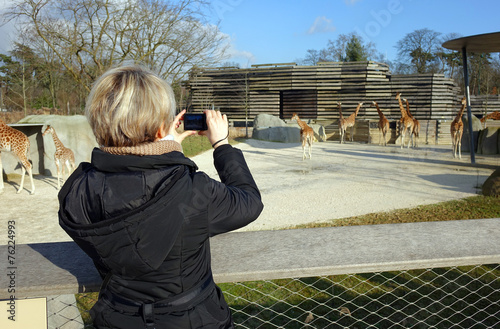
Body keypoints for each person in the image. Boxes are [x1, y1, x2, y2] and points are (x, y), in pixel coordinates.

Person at [58, 64, 263, 328]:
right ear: (159, 129)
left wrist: (168, 146)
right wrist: (221, 145)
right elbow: (249, 201)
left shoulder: (78, 190)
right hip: (192, 320)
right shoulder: (192, 190)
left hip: (116, 318)